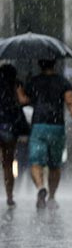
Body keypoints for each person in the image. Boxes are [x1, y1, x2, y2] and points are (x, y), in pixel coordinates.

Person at [24, 59, 72, 209]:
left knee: (36, 162)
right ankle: (52, 197)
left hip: (39, 125)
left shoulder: (34, 81)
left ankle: (40, 187)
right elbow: (70, 103)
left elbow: (24, 100)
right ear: (54, 64)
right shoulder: (63, 82)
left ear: (39, 64)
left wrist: (23, 85)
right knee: (55, 165)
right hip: (57, 127)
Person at [0, 64, 29, 208]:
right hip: (10, 127)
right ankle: (9, 196)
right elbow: (23, 101)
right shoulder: (16, 85)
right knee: (8, 164)